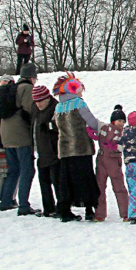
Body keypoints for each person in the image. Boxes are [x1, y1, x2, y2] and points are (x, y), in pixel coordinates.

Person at [53, 73, 102, 222]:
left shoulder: (58, 107)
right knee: (85, 177)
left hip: (65, 149)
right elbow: (92, 123)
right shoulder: (79, 104)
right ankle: (89, 208)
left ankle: (65, 209)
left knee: (66, 180)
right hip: (81, 147)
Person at [0, 63, 41, 216]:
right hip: (20, 136)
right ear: (31, 77)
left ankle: (6, 201)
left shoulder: (12, 88)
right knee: (27, 170)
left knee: (13, 169)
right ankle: (23, 205)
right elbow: (31, 109)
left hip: (6, 135)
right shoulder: (27, 88)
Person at [90, 105, 129, 222]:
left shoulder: (124, 133)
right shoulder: (105, 128)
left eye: (123, 121)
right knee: (100, 187)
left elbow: (123, 146)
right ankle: (99, 214)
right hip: (101, 160)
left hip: (113, 161)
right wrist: (89, 130)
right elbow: (95, 134)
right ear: (113, 120)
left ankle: (126, 213)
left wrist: (115, 147)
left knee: (119, 187)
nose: (121, 123)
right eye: (119, 120)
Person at [32, 84, 62, 217]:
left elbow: (61, 127)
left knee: (57, 181)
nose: (38, 104)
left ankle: (61, 207)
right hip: (42, 151)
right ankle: (48, 208)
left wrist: (50, 127)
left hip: (54, 151)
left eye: (40, 101)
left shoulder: (56, 108)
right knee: (43, 181)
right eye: (36, 102)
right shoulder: (37, 110)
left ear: (47, 98)